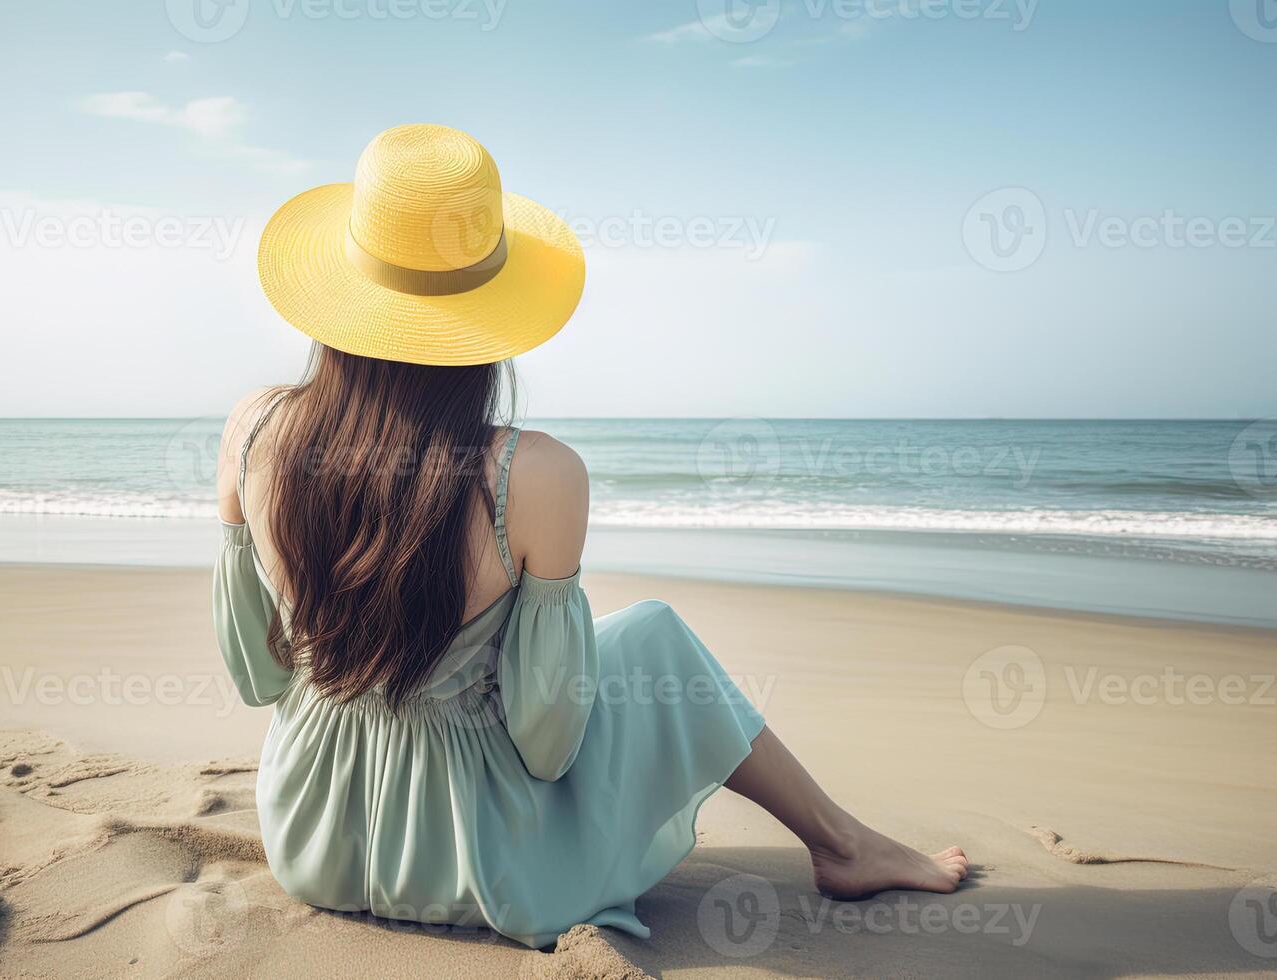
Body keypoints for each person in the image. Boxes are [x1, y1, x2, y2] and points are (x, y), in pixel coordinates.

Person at [213, 123, 968, 949]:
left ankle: (845, 842)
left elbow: (258, 674)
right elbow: (547, 741)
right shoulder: (531, 473)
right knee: (656, 638)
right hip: (476, 866)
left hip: (313, 842)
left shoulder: (254, 430)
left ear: (342, 294)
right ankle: (843, 844)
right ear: (488, 319)